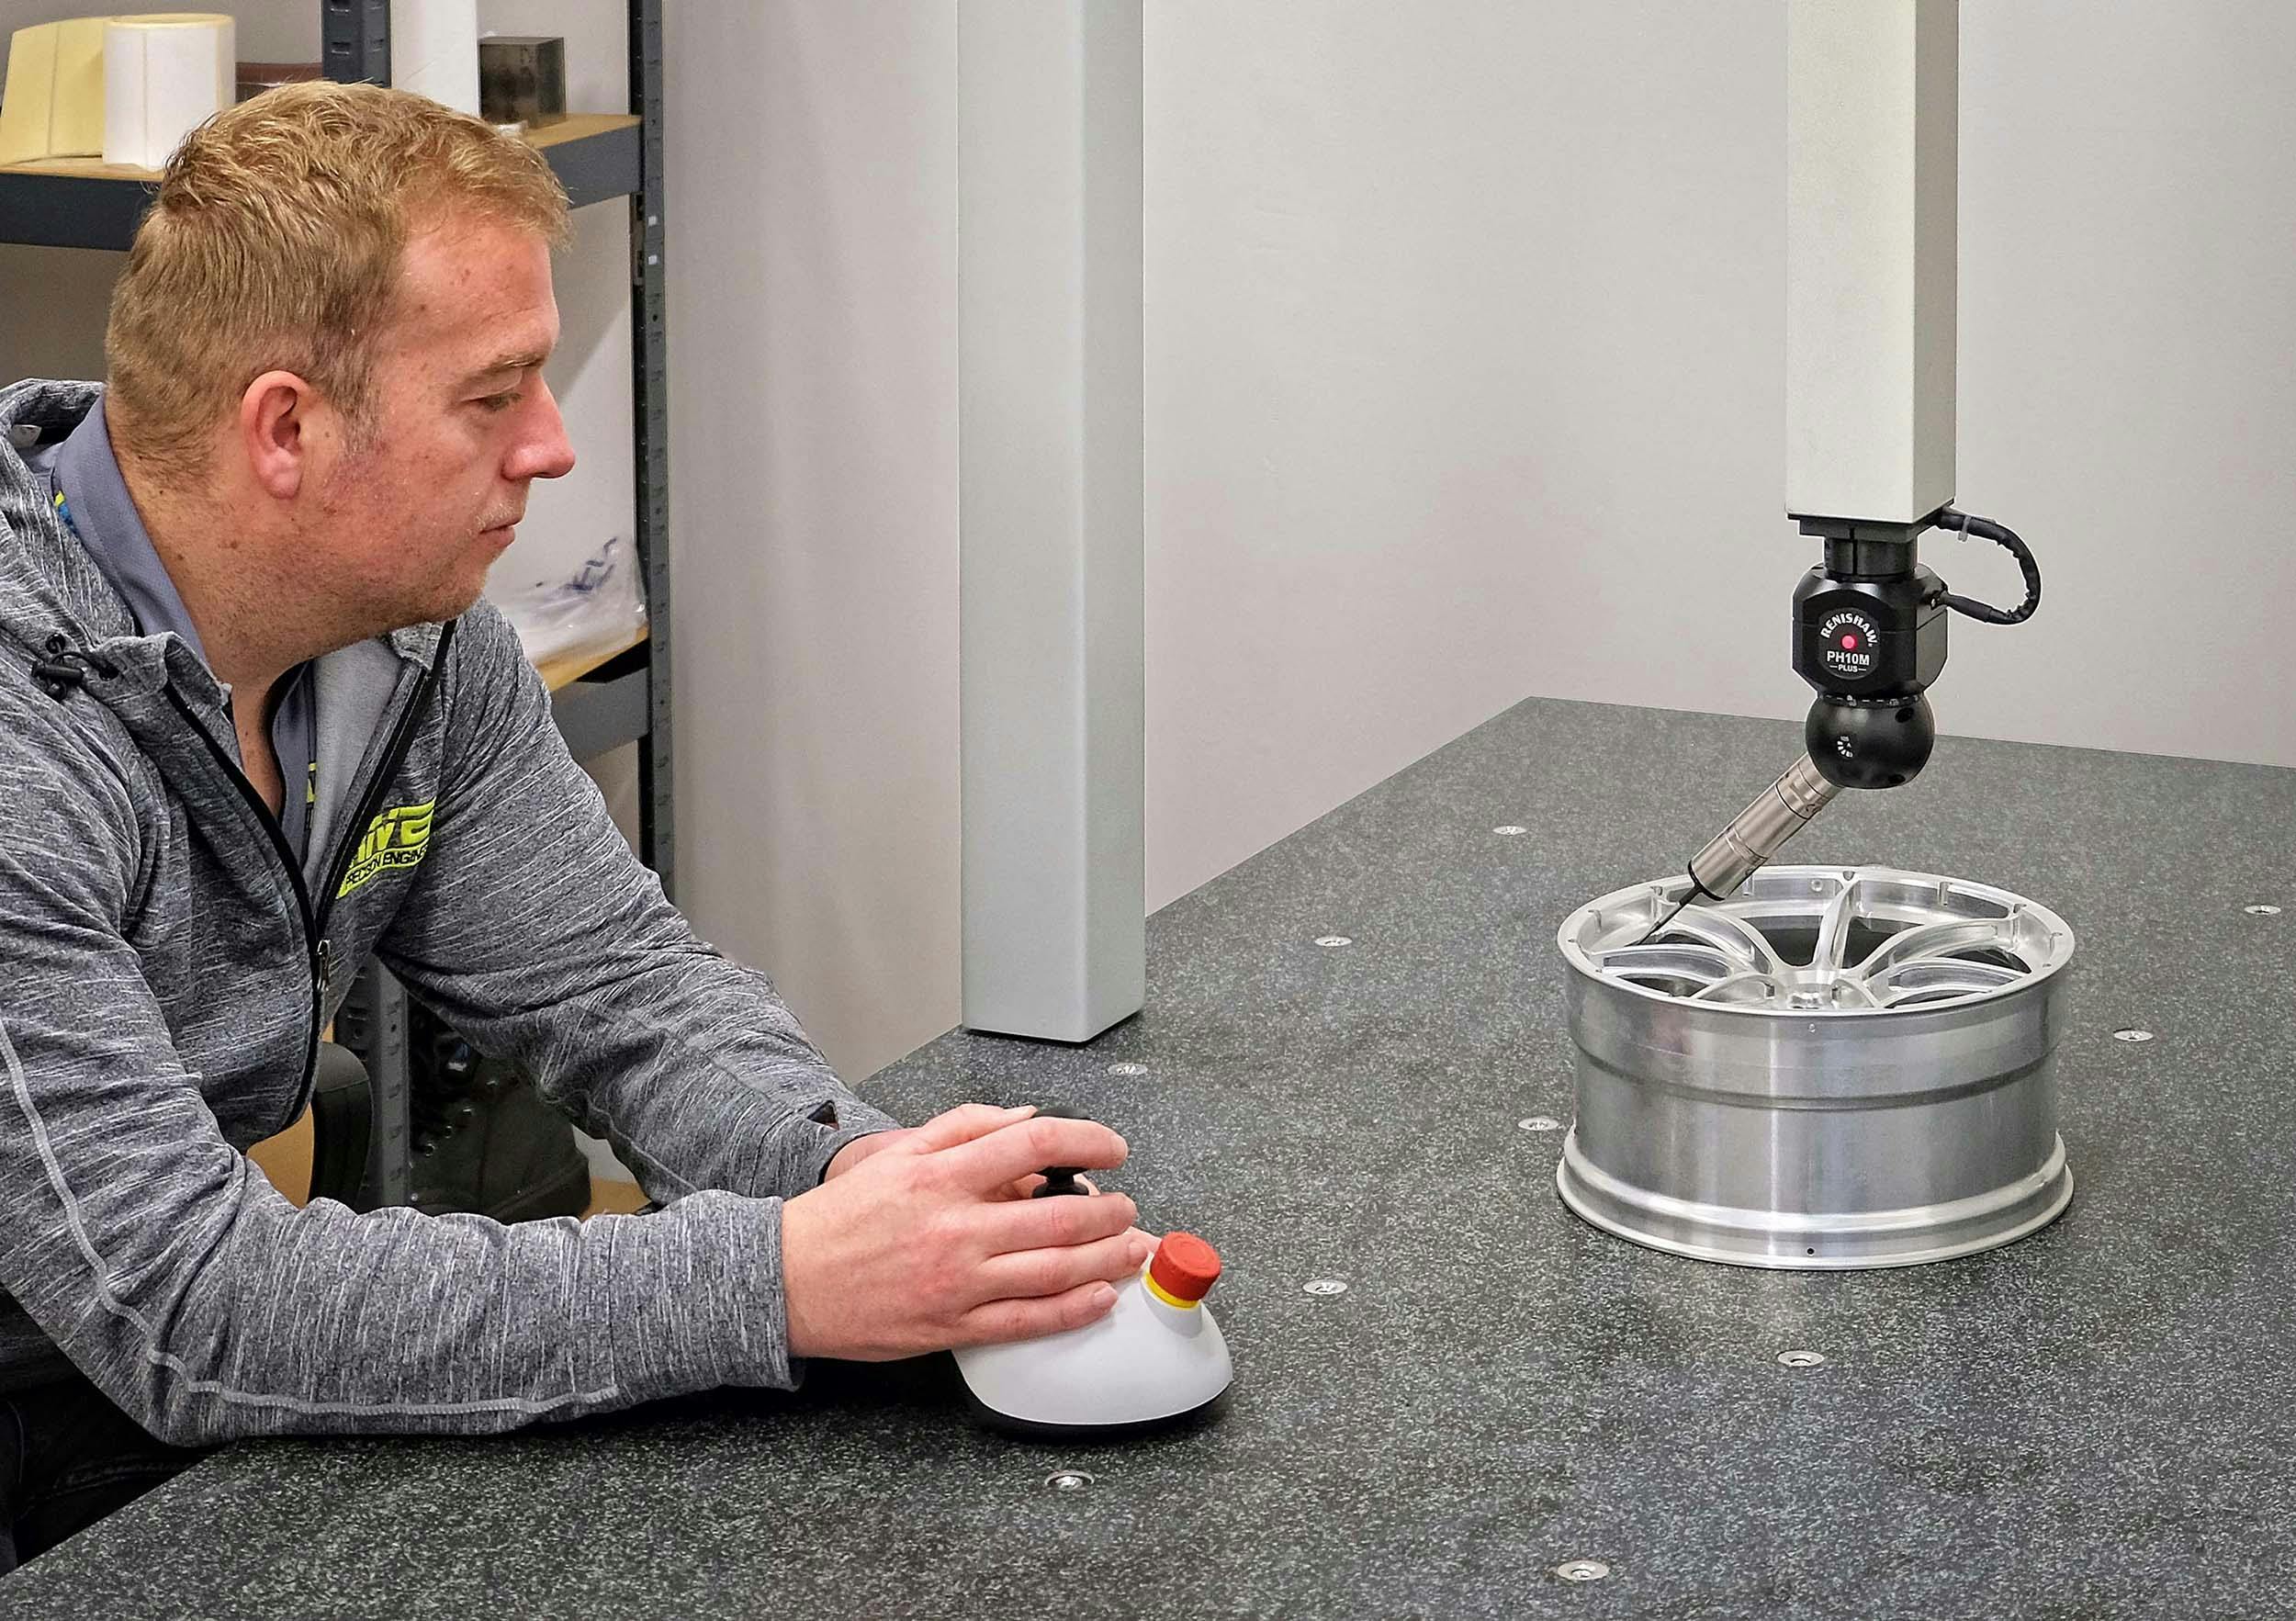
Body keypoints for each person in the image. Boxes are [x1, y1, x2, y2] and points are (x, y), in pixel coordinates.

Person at [0, 81, 1149, 1571]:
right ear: (282, 427)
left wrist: (862, 1189)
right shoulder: (25, 742)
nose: (549, 448)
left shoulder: (410, 640)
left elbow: (624, 990)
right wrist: (780, 1281)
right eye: (492, 395)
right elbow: (188, 1306)